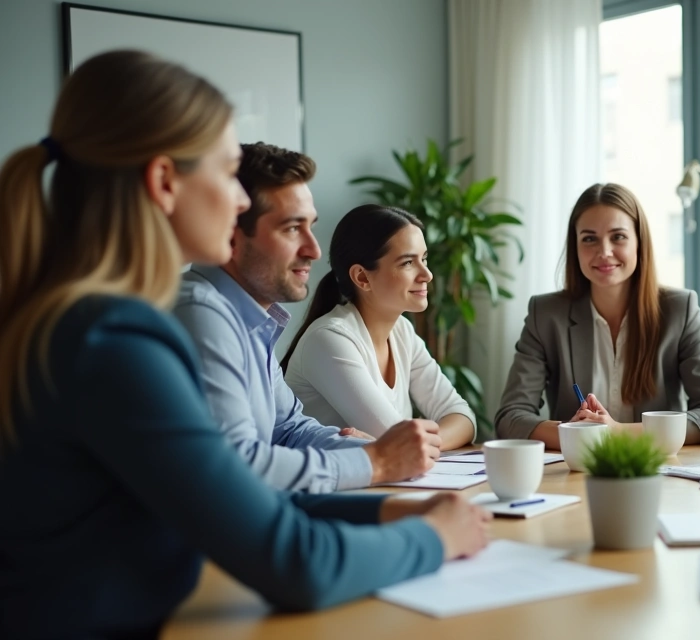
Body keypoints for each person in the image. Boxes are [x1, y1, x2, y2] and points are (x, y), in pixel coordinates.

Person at [0, 50, 489, 639]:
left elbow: (239, 493)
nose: (238, 201)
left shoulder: (93, 321)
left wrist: (387, 508)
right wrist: (433, 538)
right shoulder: (115, 340)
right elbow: (295, 563)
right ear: (164, 182)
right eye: (227, 172)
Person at [174, 143, 441, 493]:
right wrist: (376, 461)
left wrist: (375, 452)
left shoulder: (250, 320)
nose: (314, 250)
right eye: (291, 228)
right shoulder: (202, 315)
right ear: (232, 236)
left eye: (310, 226)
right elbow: (237, 467)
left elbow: (289, 430)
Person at [495, 182, 700, 448]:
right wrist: (575, 433)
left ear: (639, 242)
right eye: (589, 239)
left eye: (618, 237)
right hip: (578, 466)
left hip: (654, 466)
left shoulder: (680, 310)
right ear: (575, 247)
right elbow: (510, 418)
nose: (604, 252)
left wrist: (617, 432)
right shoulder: (546, 314)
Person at [281, 204, 476, 448]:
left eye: (424, 258)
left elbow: (463, 418)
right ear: (362, 277)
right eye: (407, 263)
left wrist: (414, 443)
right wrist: (406, 443)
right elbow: (399, 442)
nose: (427, 274)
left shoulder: (402, 331)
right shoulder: (328, 339)